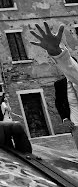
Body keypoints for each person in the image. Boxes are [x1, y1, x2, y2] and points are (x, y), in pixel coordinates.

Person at [29, 22, 78, 150]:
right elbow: (59, 102)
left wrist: (58, 53)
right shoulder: (61, 84)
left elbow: (72, 69)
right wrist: (65, 119)